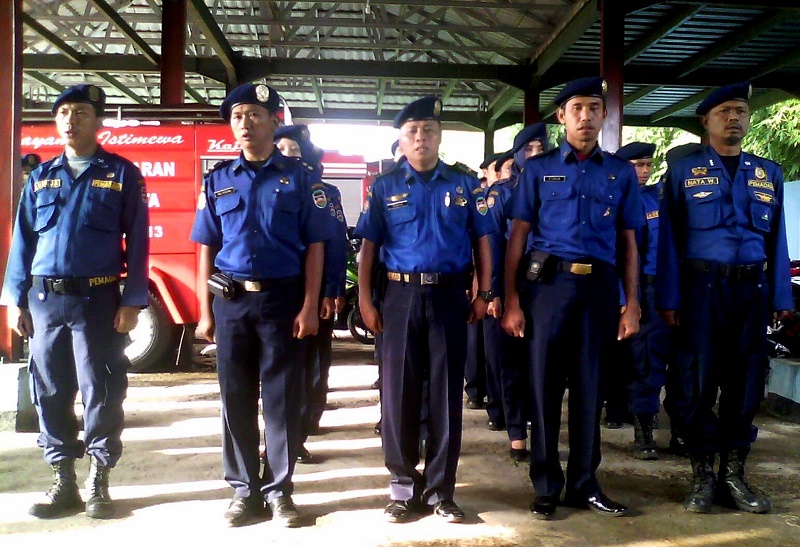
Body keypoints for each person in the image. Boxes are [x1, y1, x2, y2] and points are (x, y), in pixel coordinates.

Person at [1, 84, 149, 519]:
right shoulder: (42, 176)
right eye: (63, 112)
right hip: (44, 300)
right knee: (49, 389)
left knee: (100, 388)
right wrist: (15, 301)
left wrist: (133, 299)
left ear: (97, 120)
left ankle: (98, 480)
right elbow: (22, 242)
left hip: (97, 300)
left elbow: (138, 242)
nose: (70, 120)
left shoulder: (122, 174)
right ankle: (63, 480)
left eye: (80, 112)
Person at [191, 83, 333, 528]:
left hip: (282, 301)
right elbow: (205, 247)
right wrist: (203, 311)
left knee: (282, 399)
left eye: (255, 114)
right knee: (234, 398)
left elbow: (316, 247)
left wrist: (310, 306)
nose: (245, 123)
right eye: (237, 116)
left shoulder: (301, 179)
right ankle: (243, 491)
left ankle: (280, 491)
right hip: (230, 302)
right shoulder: (217, 180)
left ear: (274, 121)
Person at [502, 77, 644, 520]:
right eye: (577, 108)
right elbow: (517, 239)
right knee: (544, 386)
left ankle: (584, 483)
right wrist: (510, 299)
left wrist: (632, 301)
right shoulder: (538, 170)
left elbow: (629, 241)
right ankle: (546, 483)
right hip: (547, 289)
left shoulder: (619, 173)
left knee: (590, 388)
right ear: (561, 116)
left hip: (598, 289)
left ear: (605, 116)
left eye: (595, 108)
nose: (586, 116)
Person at [356, 96, 495, 524]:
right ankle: (401, 489)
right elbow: (368, 248)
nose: (421, 138)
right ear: (401, 139)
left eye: (429, 130)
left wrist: (483, 293)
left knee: (446, 396)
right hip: (398, 299)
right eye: (413, 131)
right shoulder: (384, 187)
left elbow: (483, 242)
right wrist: (364, 298)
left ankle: (440, 492)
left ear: (439, 136)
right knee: (398, 395)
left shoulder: (465, 185)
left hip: (451, 297)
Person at [656, 81, 792, 514]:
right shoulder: (682, 171)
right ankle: (702, 474)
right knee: (698, 383)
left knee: (746, 383)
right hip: (702, 290)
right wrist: (670, 298)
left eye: (741, 111)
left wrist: (781, 296)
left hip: (751, 291)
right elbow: (670, 243)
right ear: (706, 121)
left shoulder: (768, 172)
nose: (734, 118)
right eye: (724, 111)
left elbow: (778, 243)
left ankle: (734, 473)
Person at [275, 124, 348, 463]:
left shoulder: (323, 192)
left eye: (294, 150)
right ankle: (283, 433)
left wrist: (331, 290)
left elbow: (334, 244)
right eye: (283, 149)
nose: (287, 156)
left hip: (313, 292)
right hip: (276, 292)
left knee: (313, 365)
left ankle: (304, 424)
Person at [615, 141, 673, 460]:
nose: (645, 171)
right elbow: (623, 256)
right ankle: (643, 431)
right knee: (644, 362)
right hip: (641, 291)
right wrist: (626, 299)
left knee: (677, 360)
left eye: (648, 165)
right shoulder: (618, 200)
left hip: (667, 289)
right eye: (638, 165)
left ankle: (678, 430)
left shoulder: (657, 199)